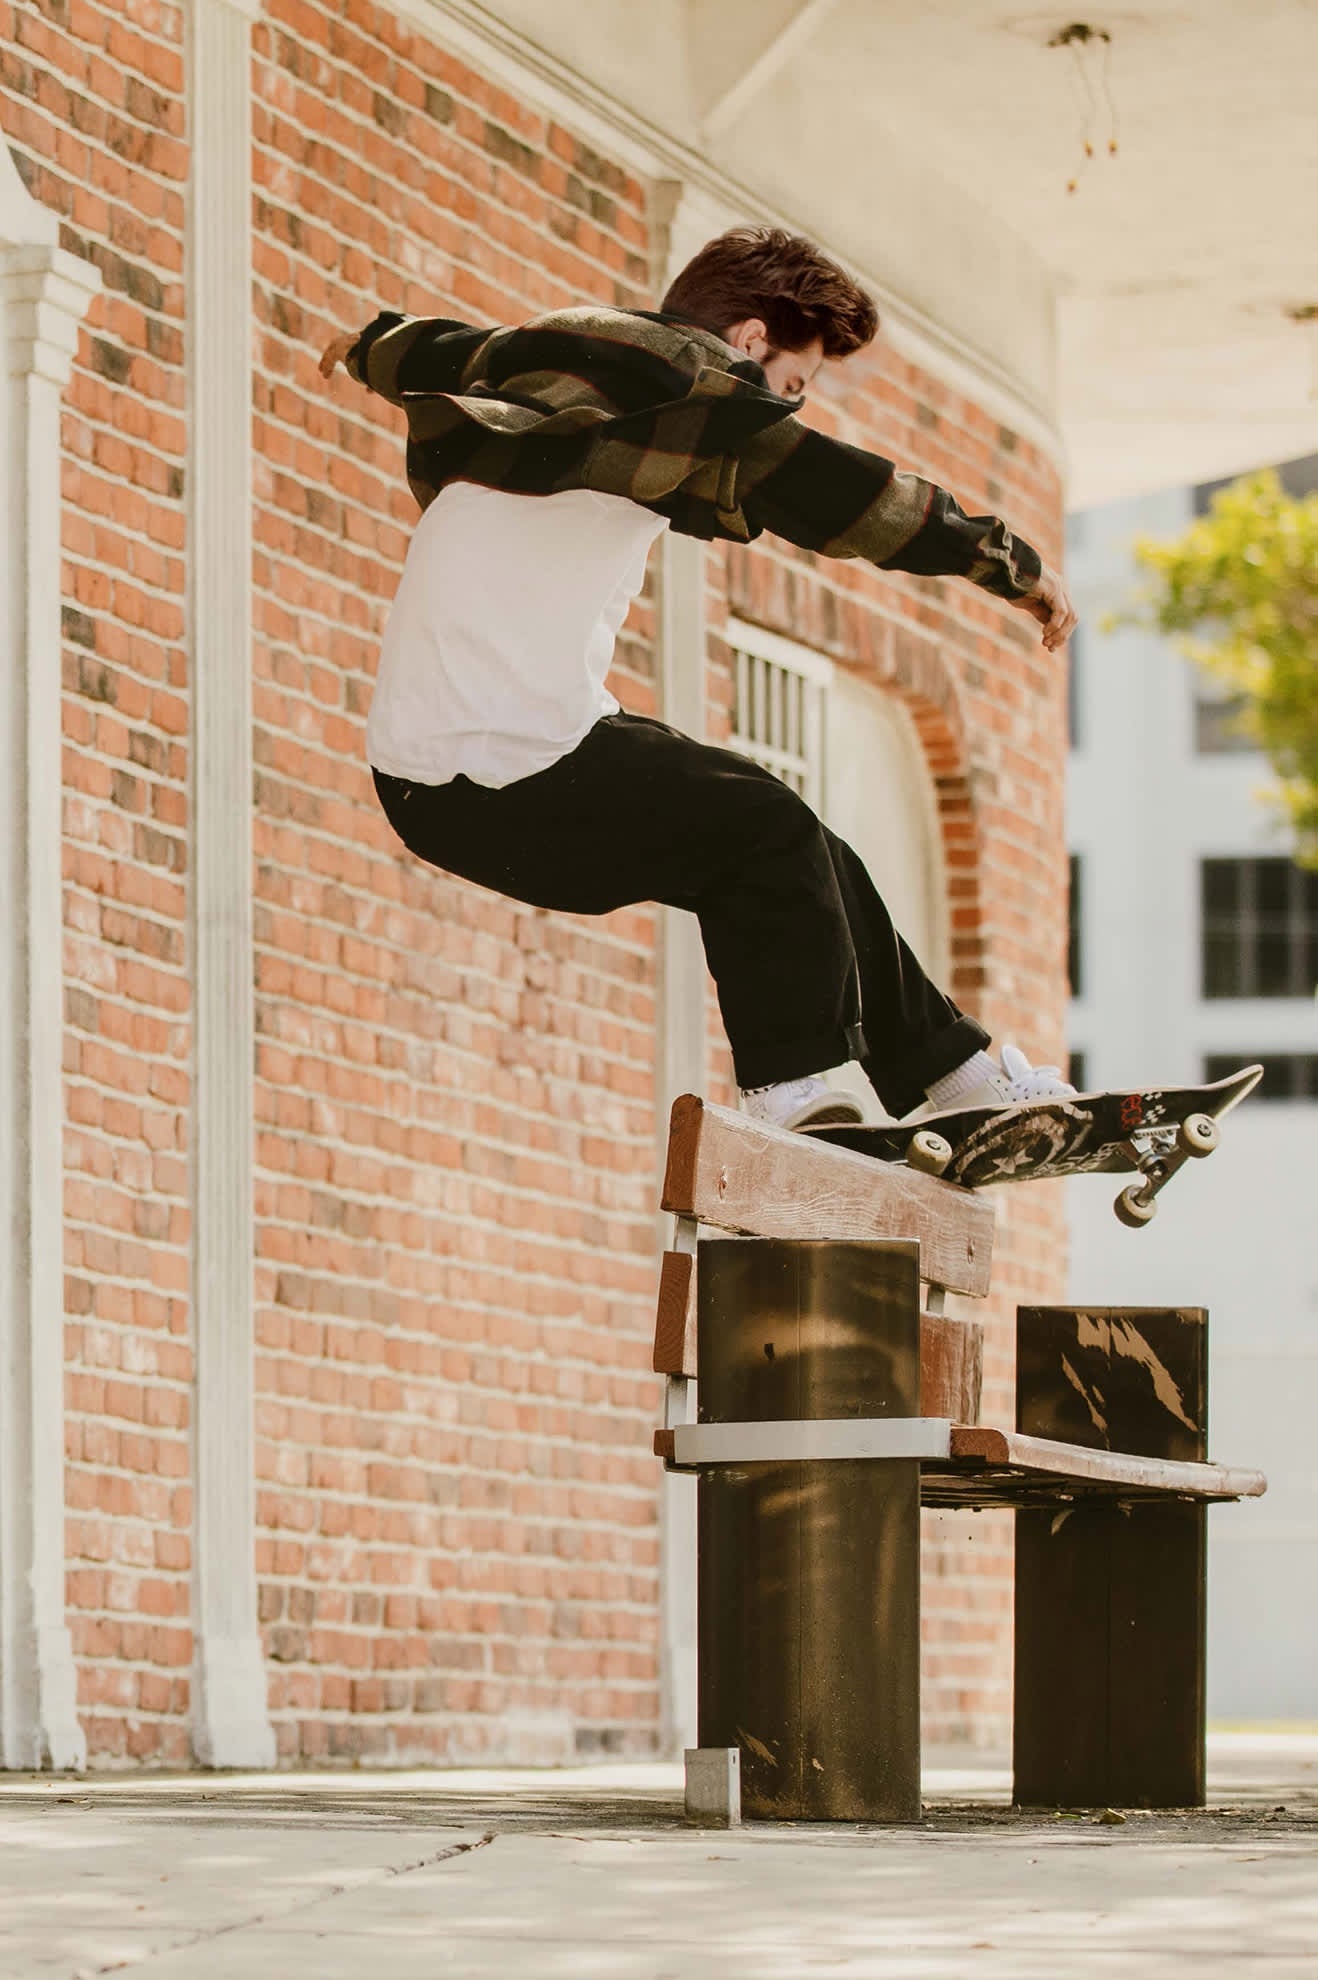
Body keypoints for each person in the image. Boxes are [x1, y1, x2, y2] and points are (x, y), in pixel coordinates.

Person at [319, 227, 1078, 1132]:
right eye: (791, 390)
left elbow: (435, 345)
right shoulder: (696, 397)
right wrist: (1012, 566)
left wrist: (367, 345)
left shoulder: (548, 351)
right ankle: (793, 1088)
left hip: (462, 769)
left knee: (815, 855)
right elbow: (852, 497)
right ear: (749, 343)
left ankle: (954, 1075)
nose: (784, 415)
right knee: (766, 827)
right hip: (497, 772)